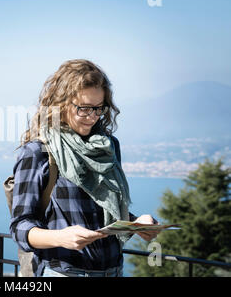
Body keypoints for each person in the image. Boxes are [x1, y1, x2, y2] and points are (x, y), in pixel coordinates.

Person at [9, 59, 160, 277]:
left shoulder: (108, 146)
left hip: (113, 271)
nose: (92, 117)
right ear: (61, 104)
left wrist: (135, 223)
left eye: (98, 108)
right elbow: (19, 228)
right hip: (63, 272)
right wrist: (61, 237)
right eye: (84, 108)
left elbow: (102, 209)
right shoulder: (38, 152)